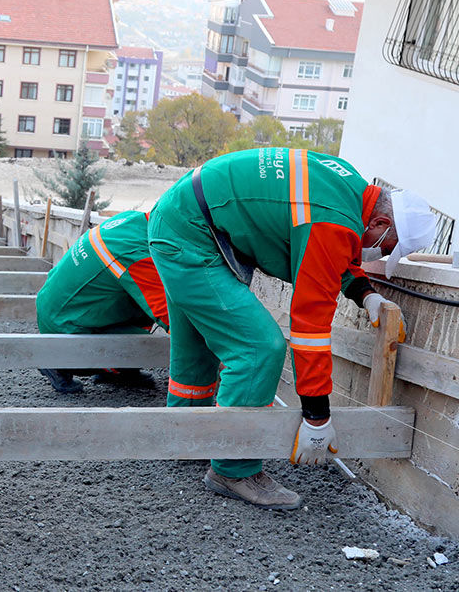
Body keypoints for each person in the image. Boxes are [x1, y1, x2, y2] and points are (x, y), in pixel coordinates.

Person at [146, 147, 435, 510]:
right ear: (378, 224)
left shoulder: (348, 185)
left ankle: (187, 438)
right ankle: (234, 468)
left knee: (196, 345)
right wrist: (317, 417)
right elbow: (310, 324)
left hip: (181, 219)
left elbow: (330, 252)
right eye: (384, 247)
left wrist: (365, 294)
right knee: (258, 348)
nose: (374, 253)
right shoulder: (334, 222)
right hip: (191, 235)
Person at [35, 211, 169, 393]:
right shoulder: (134, 254)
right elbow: (169, 316)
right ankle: (59, 362)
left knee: (142, 298)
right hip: (64, 328)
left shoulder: (133, 220)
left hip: (54, 308)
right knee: (150, 344)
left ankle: (117, 370)